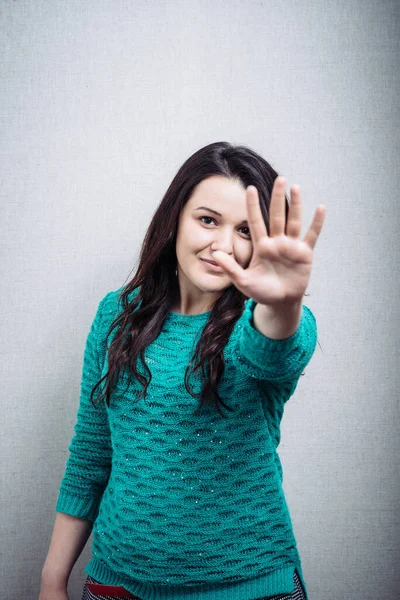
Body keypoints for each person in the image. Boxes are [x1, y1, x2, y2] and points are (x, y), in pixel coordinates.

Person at [39, 141, 326, 600]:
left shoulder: (262, 320)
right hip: (117, 586)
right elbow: (91, 457)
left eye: (246, 231)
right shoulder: (116, 315)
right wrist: (52, 580)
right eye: (208, 220)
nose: (223, 245)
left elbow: (273, 348)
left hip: (250, 588)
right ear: (175, 219)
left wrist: (284, 301)